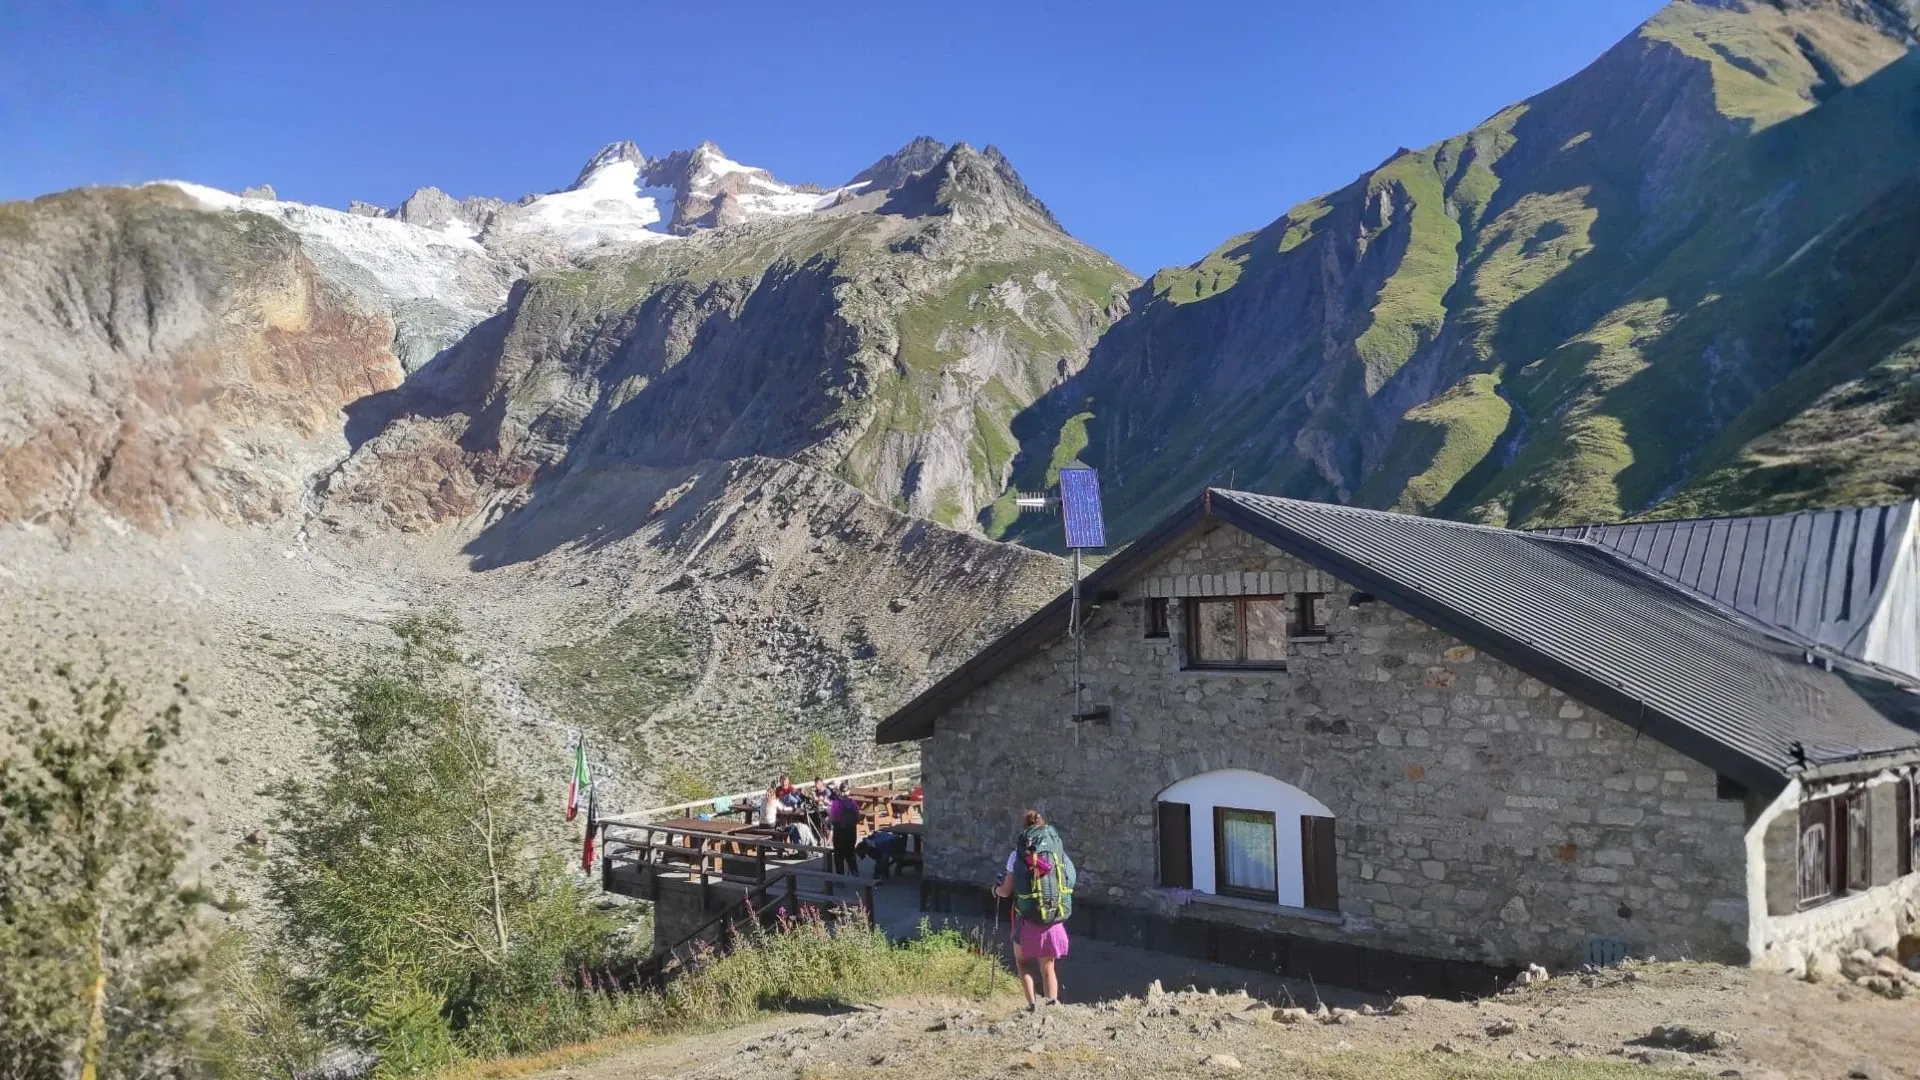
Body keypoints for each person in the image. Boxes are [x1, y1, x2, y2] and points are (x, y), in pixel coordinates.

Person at [994, 809, 1074, 1010]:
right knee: (1047, 966)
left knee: (1022, 963)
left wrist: (994, 890)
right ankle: (1052, 1005)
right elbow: (1069, 879)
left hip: (1027, 918)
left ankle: (1032, 1006)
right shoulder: (1057, 852)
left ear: (1025, 829)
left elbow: (1005, 891)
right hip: (1052, 915)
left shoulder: (1017, 855)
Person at [827, 786, 862, 876]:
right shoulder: (853, 803)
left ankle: (840, 877)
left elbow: (832, 819)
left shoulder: (835, 803)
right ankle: (855, 873)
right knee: (850, 852)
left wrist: (829, 821)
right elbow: (858, 818)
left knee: (839, 854)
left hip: (839, 831)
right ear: (848, 791)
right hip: (851, 830)